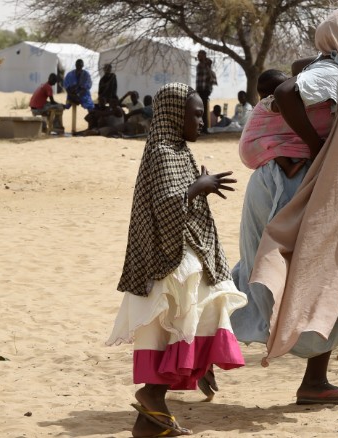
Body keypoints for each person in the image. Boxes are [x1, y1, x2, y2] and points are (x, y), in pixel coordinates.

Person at [229, 3, 338, 405]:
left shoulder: (337, 69)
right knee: (332, 267)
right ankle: (313, 382)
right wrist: (316, 146)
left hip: (284, 179)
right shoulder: (333, 72)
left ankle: (204, 349)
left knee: (279, 266)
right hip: (293, 183)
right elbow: (288, 91)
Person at [106, 83, 247, 437]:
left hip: (179, 256)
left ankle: (149, 421)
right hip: (173, 260)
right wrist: (200, 186)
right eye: (195, 114)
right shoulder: (164, 152)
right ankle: (152, 395)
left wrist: (199, 184)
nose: (201, 122)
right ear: (174, 115)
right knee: (187, 321)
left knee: (182, 326)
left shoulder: (175, 150)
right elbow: (170, 206)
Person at [237, 69, 332, 178]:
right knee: (270, 143)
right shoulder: (268, 102)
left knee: (274, 145)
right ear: (274, 93)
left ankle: (288, 167)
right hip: (252, 145)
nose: (290, 85)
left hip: (255, 148)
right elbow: (281, 102)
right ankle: (288, 167)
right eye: (286, 84)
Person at [195, 50, 215, 133]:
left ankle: (204, 128)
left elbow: (209, 78)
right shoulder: (201, 65)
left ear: (204, 56)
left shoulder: (205, 65)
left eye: (200, 55)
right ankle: (202, 128)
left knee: (203, 110)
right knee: (201, 109)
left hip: (204, 90)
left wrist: (209, 89)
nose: (198, 57)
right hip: (200, 89)